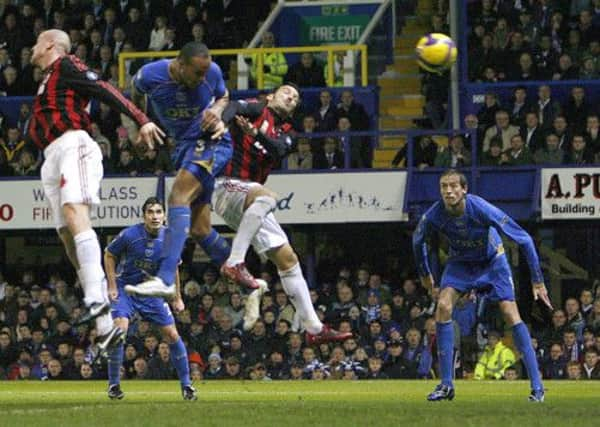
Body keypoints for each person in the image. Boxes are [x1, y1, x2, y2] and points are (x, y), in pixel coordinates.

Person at [27, 29, 164, 357]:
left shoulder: (67, 65)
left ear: (49, 45)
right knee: (66, 235)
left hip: (74, 143)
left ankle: (95, 298)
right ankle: (105, 324)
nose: (32, 47)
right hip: (52, 155)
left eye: (37, 43)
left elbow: (104, 89)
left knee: (76, 212)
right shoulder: (46, 79)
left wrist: (141, 119)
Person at [203, 83, 352, 345]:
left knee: (288, 259)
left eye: (295, 98)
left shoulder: (288, 133)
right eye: (286, 92)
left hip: (248, 197)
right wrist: (223, 125)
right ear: (271, 96)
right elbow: (234, 106)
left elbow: (280, 149)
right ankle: (235, 260)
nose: (291, 97)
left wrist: (256, 135)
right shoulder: (257, 108)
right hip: (226, 184)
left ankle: (313, 328)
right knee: (267, 197)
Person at [126, 42, 254, 297]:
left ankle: (165, 279)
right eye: (197, 73)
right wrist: (137, 128)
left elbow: (224, 96)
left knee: (178, 196)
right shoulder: (150, 75)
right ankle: (245, 279)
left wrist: (217, 111)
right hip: (183, 147)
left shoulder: (212, 72)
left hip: (212, 142)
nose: (203, 78)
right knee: (200, 229)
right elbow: (134, 97)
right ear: (179, 65)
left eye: (206, 73)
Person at [413, 169, 552, 402]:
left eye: (453, 186)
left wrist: (537, 281)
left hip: (492, 262)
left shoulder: (480, 208)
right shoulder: (435, 214)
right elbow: (417, 240)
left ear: (464, 189)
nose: (448, 190)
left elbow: (525, 239)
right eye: (444, 186)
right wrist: (425, 274)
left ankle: (537, 388)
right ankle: (446, 385)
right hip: (460, 263)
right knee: (443, 306)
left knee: (509, 312)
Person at [103, 197, 196, 400]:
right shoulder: (129, 235)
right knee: (120, 328)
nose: (155, 216)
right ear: (144, 216)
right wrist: (111, 285)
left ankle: (187, 386)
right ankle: (114, 385)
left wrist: (177, 297)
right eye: (150, 212)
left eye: (158, 212)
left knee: (171, 334)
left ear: (164, 216)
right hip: (125, 288)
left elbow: (174, 269)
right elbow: (109, 254)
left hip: (151, 292)